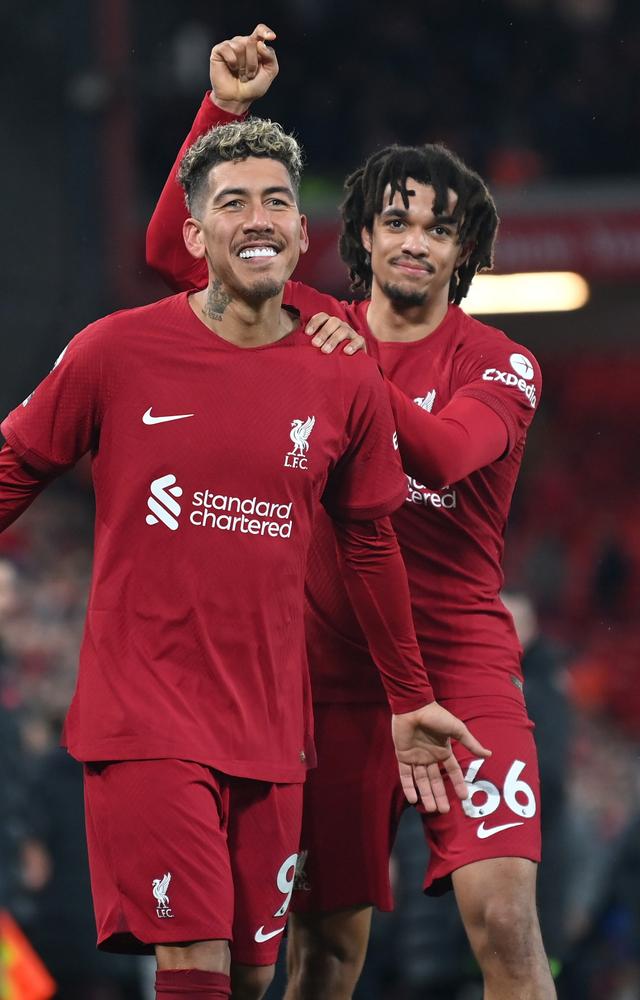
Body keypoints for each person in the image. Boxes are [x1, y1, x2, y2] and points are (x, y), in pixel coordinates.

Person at [0, 118, 489, 1000]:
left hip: (273, 729)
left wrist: (412, 695)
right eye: (233, 202)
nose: (259, 217)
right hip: (145, 716)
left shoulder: (343, 379)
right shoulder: (116, 350)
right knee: (196, 966)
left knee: (258, 975)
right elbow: (13, 465)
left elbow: (371, 542)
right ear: (196, 235)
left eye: (277, 202)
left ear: (305, 237)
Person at [146, 25, 553, 1000]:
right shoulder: (304, 329)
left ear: (464, 252)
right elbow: (170, 248)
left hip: (456, 666)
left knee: (501, 919)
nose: (416, 239)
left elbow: (447, 451)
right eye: (398, 220)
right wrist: (224, 114)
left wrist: (333, 352)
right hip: (321, 676)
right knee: (318, 952)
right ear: (361, 233)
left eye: (439, 227)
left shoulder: (498, 362)